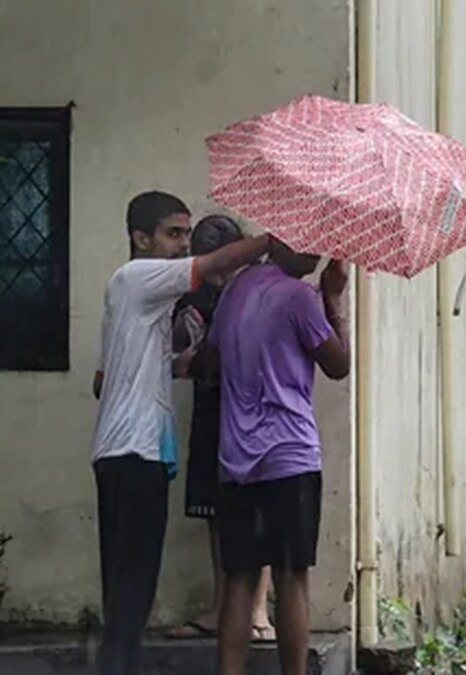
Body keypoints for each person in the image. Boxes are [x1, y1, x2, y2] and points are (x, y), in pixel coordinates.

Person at [91, 191, 269, 675]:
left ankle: (116, 665)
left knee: (126, 590)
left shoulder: (129, 294)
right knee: (133, 588)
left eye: (187, 234)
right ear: (140, 238)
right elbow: (217, 263)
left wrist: (168, 365)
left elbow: (101, 382)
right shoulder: (140, 275)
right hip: (135, 454)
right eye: (174, 234)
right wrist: (277, 239)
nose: (183, 245)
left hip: (119, 451)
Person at [207, 236, 350, 675]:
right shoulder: (300, 297)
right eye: (306, 246)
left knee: (240, 577)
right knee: (291, 576)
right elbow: (338, 364)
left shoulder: (235, 289)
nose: (314, 255)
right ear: (281, 242)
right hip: (289, 455)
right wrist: (333, 300)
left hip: (236, 458)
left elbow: (212, 361)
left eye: (319, 247)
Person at [166, 215, 275, 643]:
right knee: (216, 513)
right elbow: (182, 359)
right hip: (214, 410)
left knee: (260, 510)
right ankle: (221, 605)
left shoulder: (261, 293)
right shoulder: (195, 297)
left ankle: (259, 609)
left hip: (257, 415)